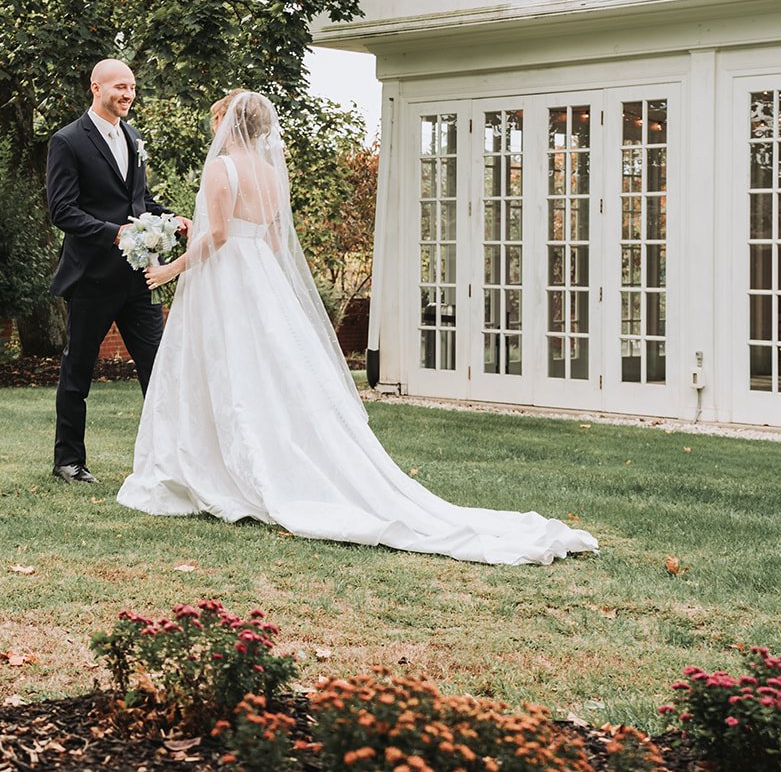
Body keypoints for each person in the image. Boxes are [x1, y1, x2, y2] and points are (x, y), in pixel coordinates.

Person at [117, 90, 598, 565]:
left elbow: (218, 235)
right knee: (265, 370)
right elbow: (276, 242)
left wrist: (170, 269)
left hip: (225, 277)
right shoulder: (269, 173)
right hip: (259, 275)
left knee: (225, 367)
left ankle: (216, 468)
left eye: (218, 121)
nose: (215, 132)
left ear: (229, 124)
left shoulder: (222, 169)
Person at [45, 59, 189, 484]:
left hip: (141, 277)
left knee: (158, 368)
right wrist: (115, 234)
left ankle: (169, 459)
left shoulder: (134, 136)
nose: (128, 94)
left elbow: (138, 202)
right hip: (91, 277)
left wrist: (175, 217)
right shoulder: (67, 141)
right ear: (96, 87)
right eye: (120, 87)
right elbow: (63, 211)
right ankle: (68, 461)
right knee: (78, 372)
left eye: (132, 87)